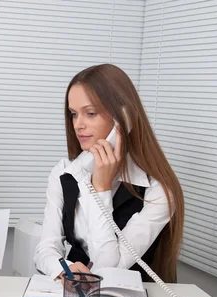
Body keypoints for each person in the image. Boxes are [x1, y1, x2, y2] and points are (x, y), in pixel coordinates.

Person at [33, 64, 184, 283]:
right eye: (74, 114)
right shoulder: (65, 173)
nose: (78, 125)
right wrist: (62, 269)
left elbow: (107, 267)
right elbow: (45, 249)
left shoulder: (158, 191)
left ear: (125, 117)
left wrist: (101, 189)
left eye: (91, 113)